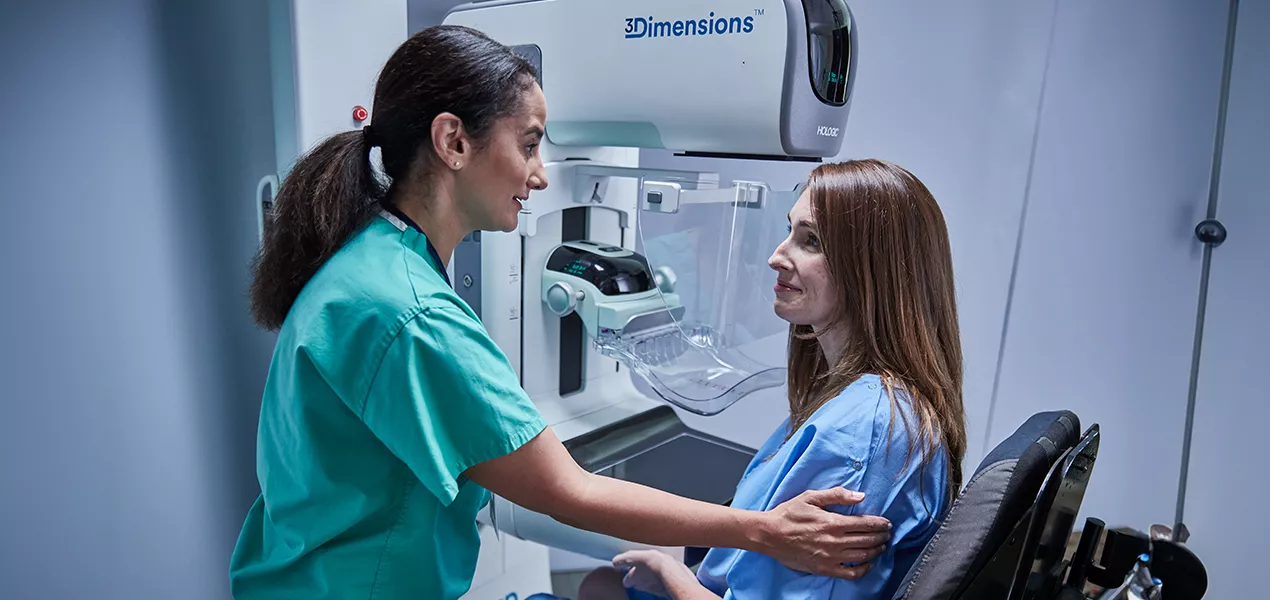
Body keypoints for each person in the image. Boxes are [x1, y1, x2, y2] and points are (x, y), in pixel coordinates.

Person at [227, 25, 893, 600]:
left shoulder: (367, 261)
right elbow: (565, 490)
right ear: (453, 142)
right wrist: (763, 532)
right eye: (530, 143)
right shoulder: (413, 314)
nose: (542, 175)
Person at [575, 159, 968, 600]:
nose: (776, 256)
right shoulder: (861, 399)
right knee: (600, 586)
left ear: (872, 269)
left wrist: (675, 579)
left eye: (811, 241)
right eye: (789, 231)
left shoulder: (864, 431)